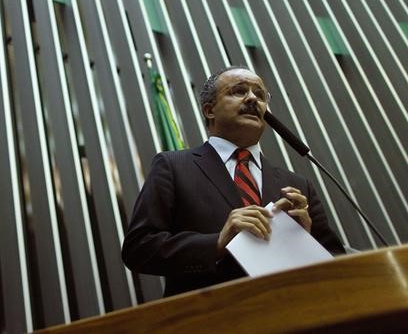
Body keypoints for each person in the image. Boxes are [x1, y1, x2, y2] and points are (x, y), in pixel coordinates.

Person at [122, 66, 344, 297]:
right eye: (238, 91)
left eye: (260, 95)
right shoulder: (173, 166)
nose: (252, 98)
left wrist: (304, 242)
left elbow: (336, 262)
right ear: (209, 110)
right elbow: (139, 248)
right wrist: (217, 243)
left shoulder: (297, 184)